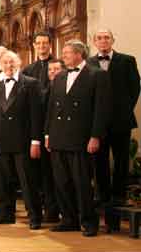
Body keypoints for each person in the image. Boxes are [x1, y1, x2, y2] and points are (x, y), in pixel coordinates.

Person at [46, 40, 112, 237]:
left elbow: (101, 110)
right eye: (64, 52)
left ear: (79, 54)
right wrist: (48, 134)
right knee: (61, 181)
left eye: (67, 53)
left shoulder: (97, 75)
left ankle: (89, 221)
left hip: (81, 137)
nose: (64, 56)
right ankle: (69, 219)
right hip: (58, 136)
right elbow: (51, 108)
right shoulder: (59, 77)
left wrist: (95, 136)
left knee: (82, 182)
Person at [0, 51, 43, 229]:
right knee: (4, 180)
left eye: (11, 62)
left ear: (18, 63)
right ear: (0, 65)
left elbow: (36, 115)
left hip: (23, 140)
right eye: (4, 63)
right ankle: (6, 213)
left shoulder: (30, 84)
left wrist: (36, 141)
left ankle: (35, 216)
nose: (8, 66)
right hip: (2, 139)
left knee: (28, 181)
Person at [87, 29, 140, 207]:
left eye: (107, 37)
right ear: (94, 42)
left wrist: (123, 109)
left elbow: (134, 88)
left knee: (121, 160)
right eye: (99, 38)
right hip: (97, 122)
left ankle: (118, 195)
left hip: (121, 120)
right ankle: (102, 195)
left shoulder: (127, 60)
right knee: (99, 160)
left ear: (113, 40)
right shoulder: (88, 63)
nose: (103, 41)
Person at [23, 31, 60, 222]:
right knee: (38, 172)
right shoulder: (28, 70)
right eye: (38, 43)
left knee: (54, 172)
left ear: (50, 45)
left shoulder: (58, 66)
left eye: (45, 43)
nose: (42, 46)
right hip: (34, 127)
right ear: (34, 46)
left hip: (55, 124)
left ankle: (54, 209)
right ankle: (40, 209)